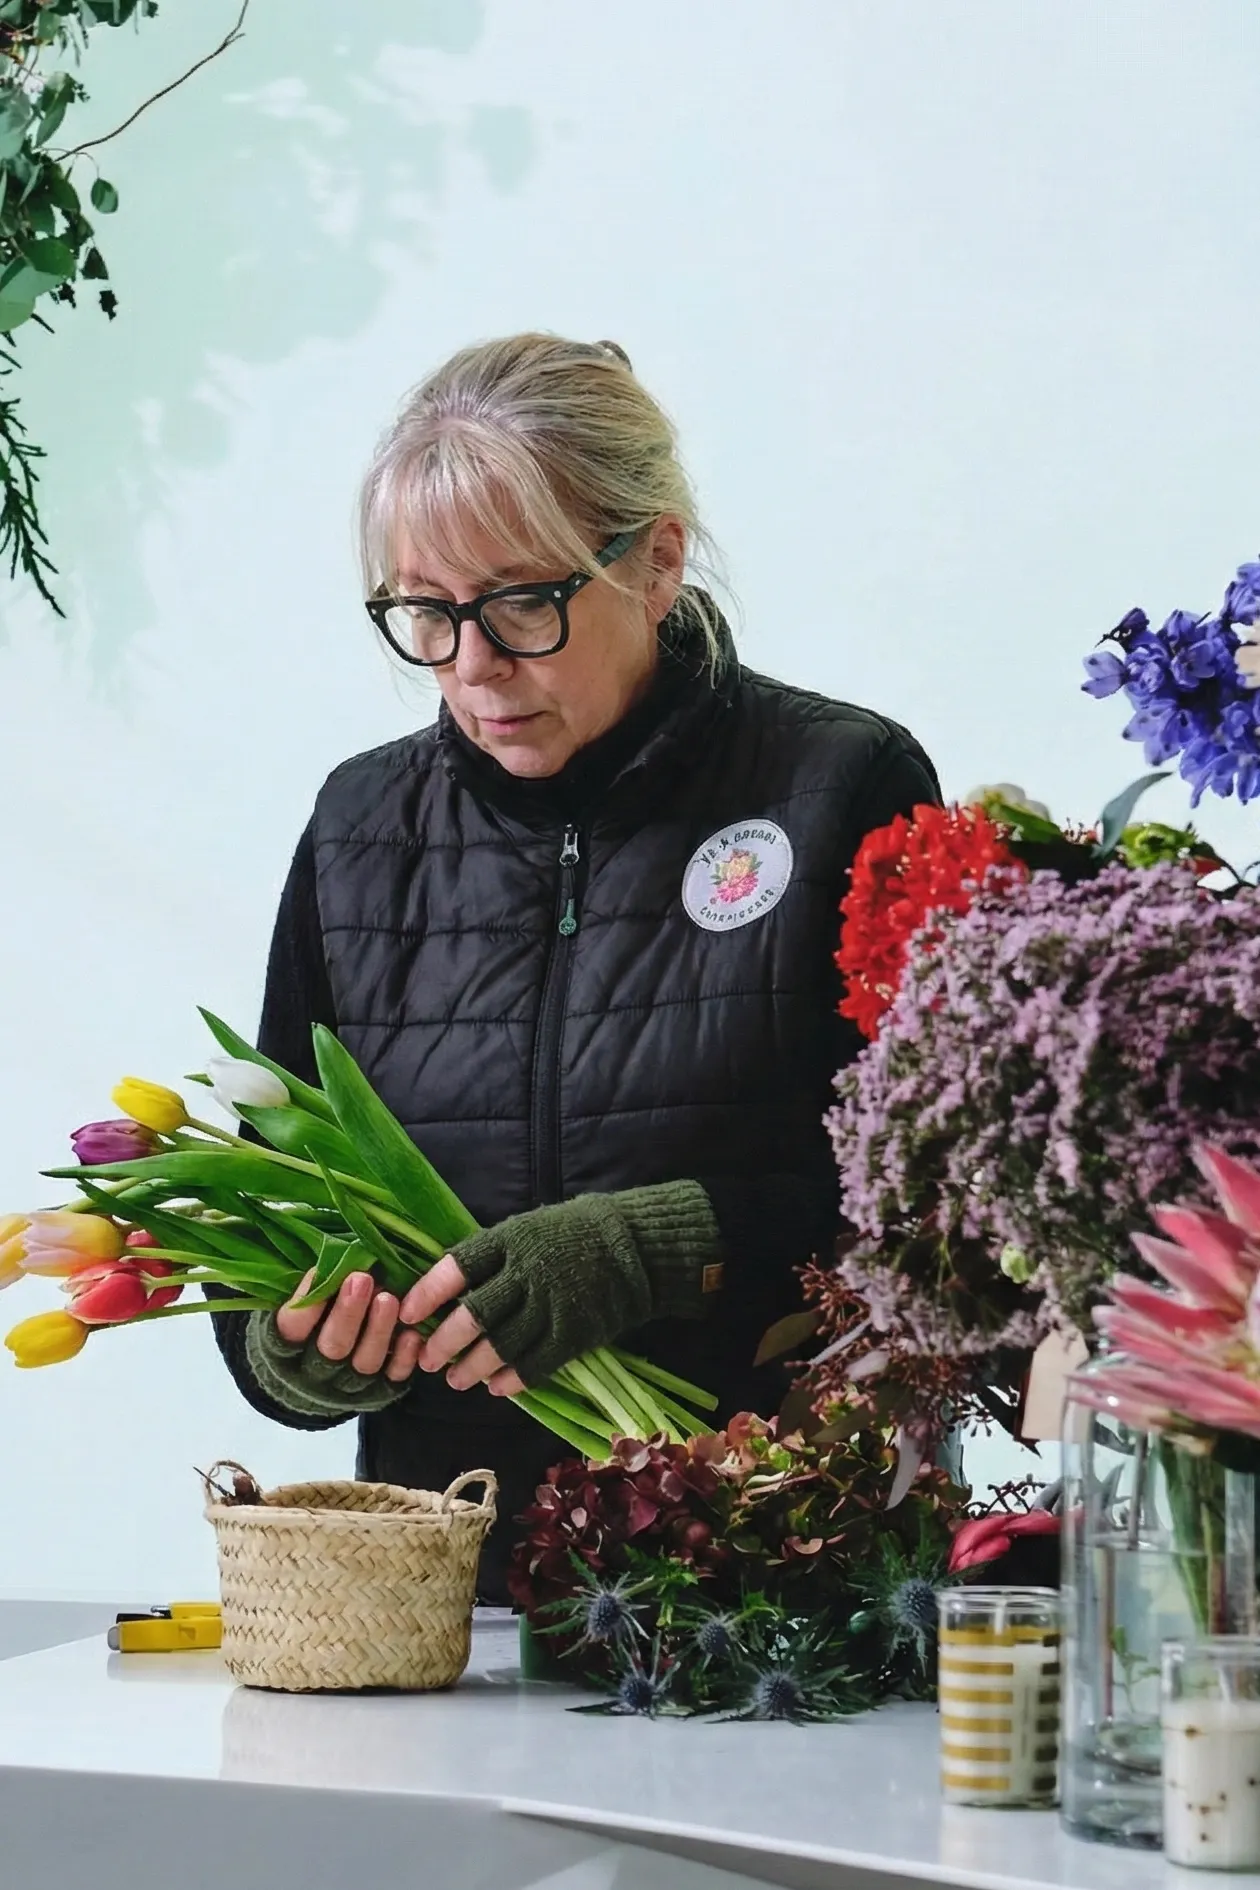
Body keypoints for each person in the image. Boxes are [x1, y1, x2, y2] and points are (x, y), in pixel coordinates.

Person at [210, 333, 939, 1601]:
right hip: (444, 1604)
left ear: (655, 561)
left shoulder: (841, 786)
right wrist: (300, 1348)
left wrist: (656, 1248)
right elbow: (269, 1199)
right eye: (425, 613)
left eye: (520, 605)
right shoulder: (359, 829)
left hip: (781, 1572)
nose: (473, 667)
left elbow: (938, 1207)